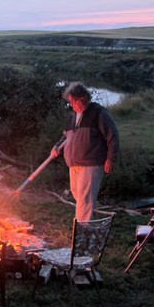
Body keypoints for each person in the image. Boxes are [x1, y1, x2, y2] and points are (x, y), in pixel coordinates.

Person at [51, 82, 119, 222]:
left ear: (82, 99)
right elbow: (66, 136)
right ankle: (84, 227)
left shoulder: (98, 113)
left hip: (91, 163)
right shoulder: (73, 116)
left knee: (85, 198)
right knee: (78, 195)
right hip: (74, 164)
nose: (71, 105)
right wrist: (57, 146)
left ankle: (82, 230)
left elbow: (112, 136)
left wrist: (110, 159)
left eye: (72, 101)